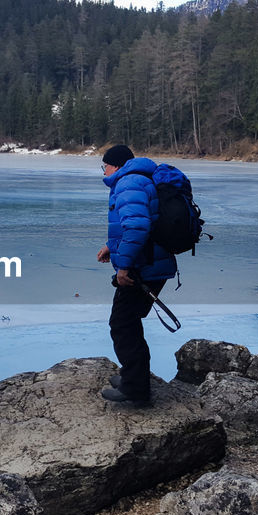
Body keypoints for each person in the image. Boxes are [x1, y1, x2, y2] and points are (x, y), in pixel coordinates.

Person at [97, 145, 177, 407]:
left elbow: (138, 226)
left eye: (105, 165)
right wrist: (113, 246)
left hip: (143, 267)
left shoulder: (128, 183)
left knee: (123, 325)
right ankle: (133, 379)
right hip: (151, 262)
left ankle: (136, 390)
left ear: (116, 166)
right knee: (128, 323)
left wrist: (124, 267)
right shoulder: (139, 179)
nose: (104, 170)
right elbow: (141, 222)